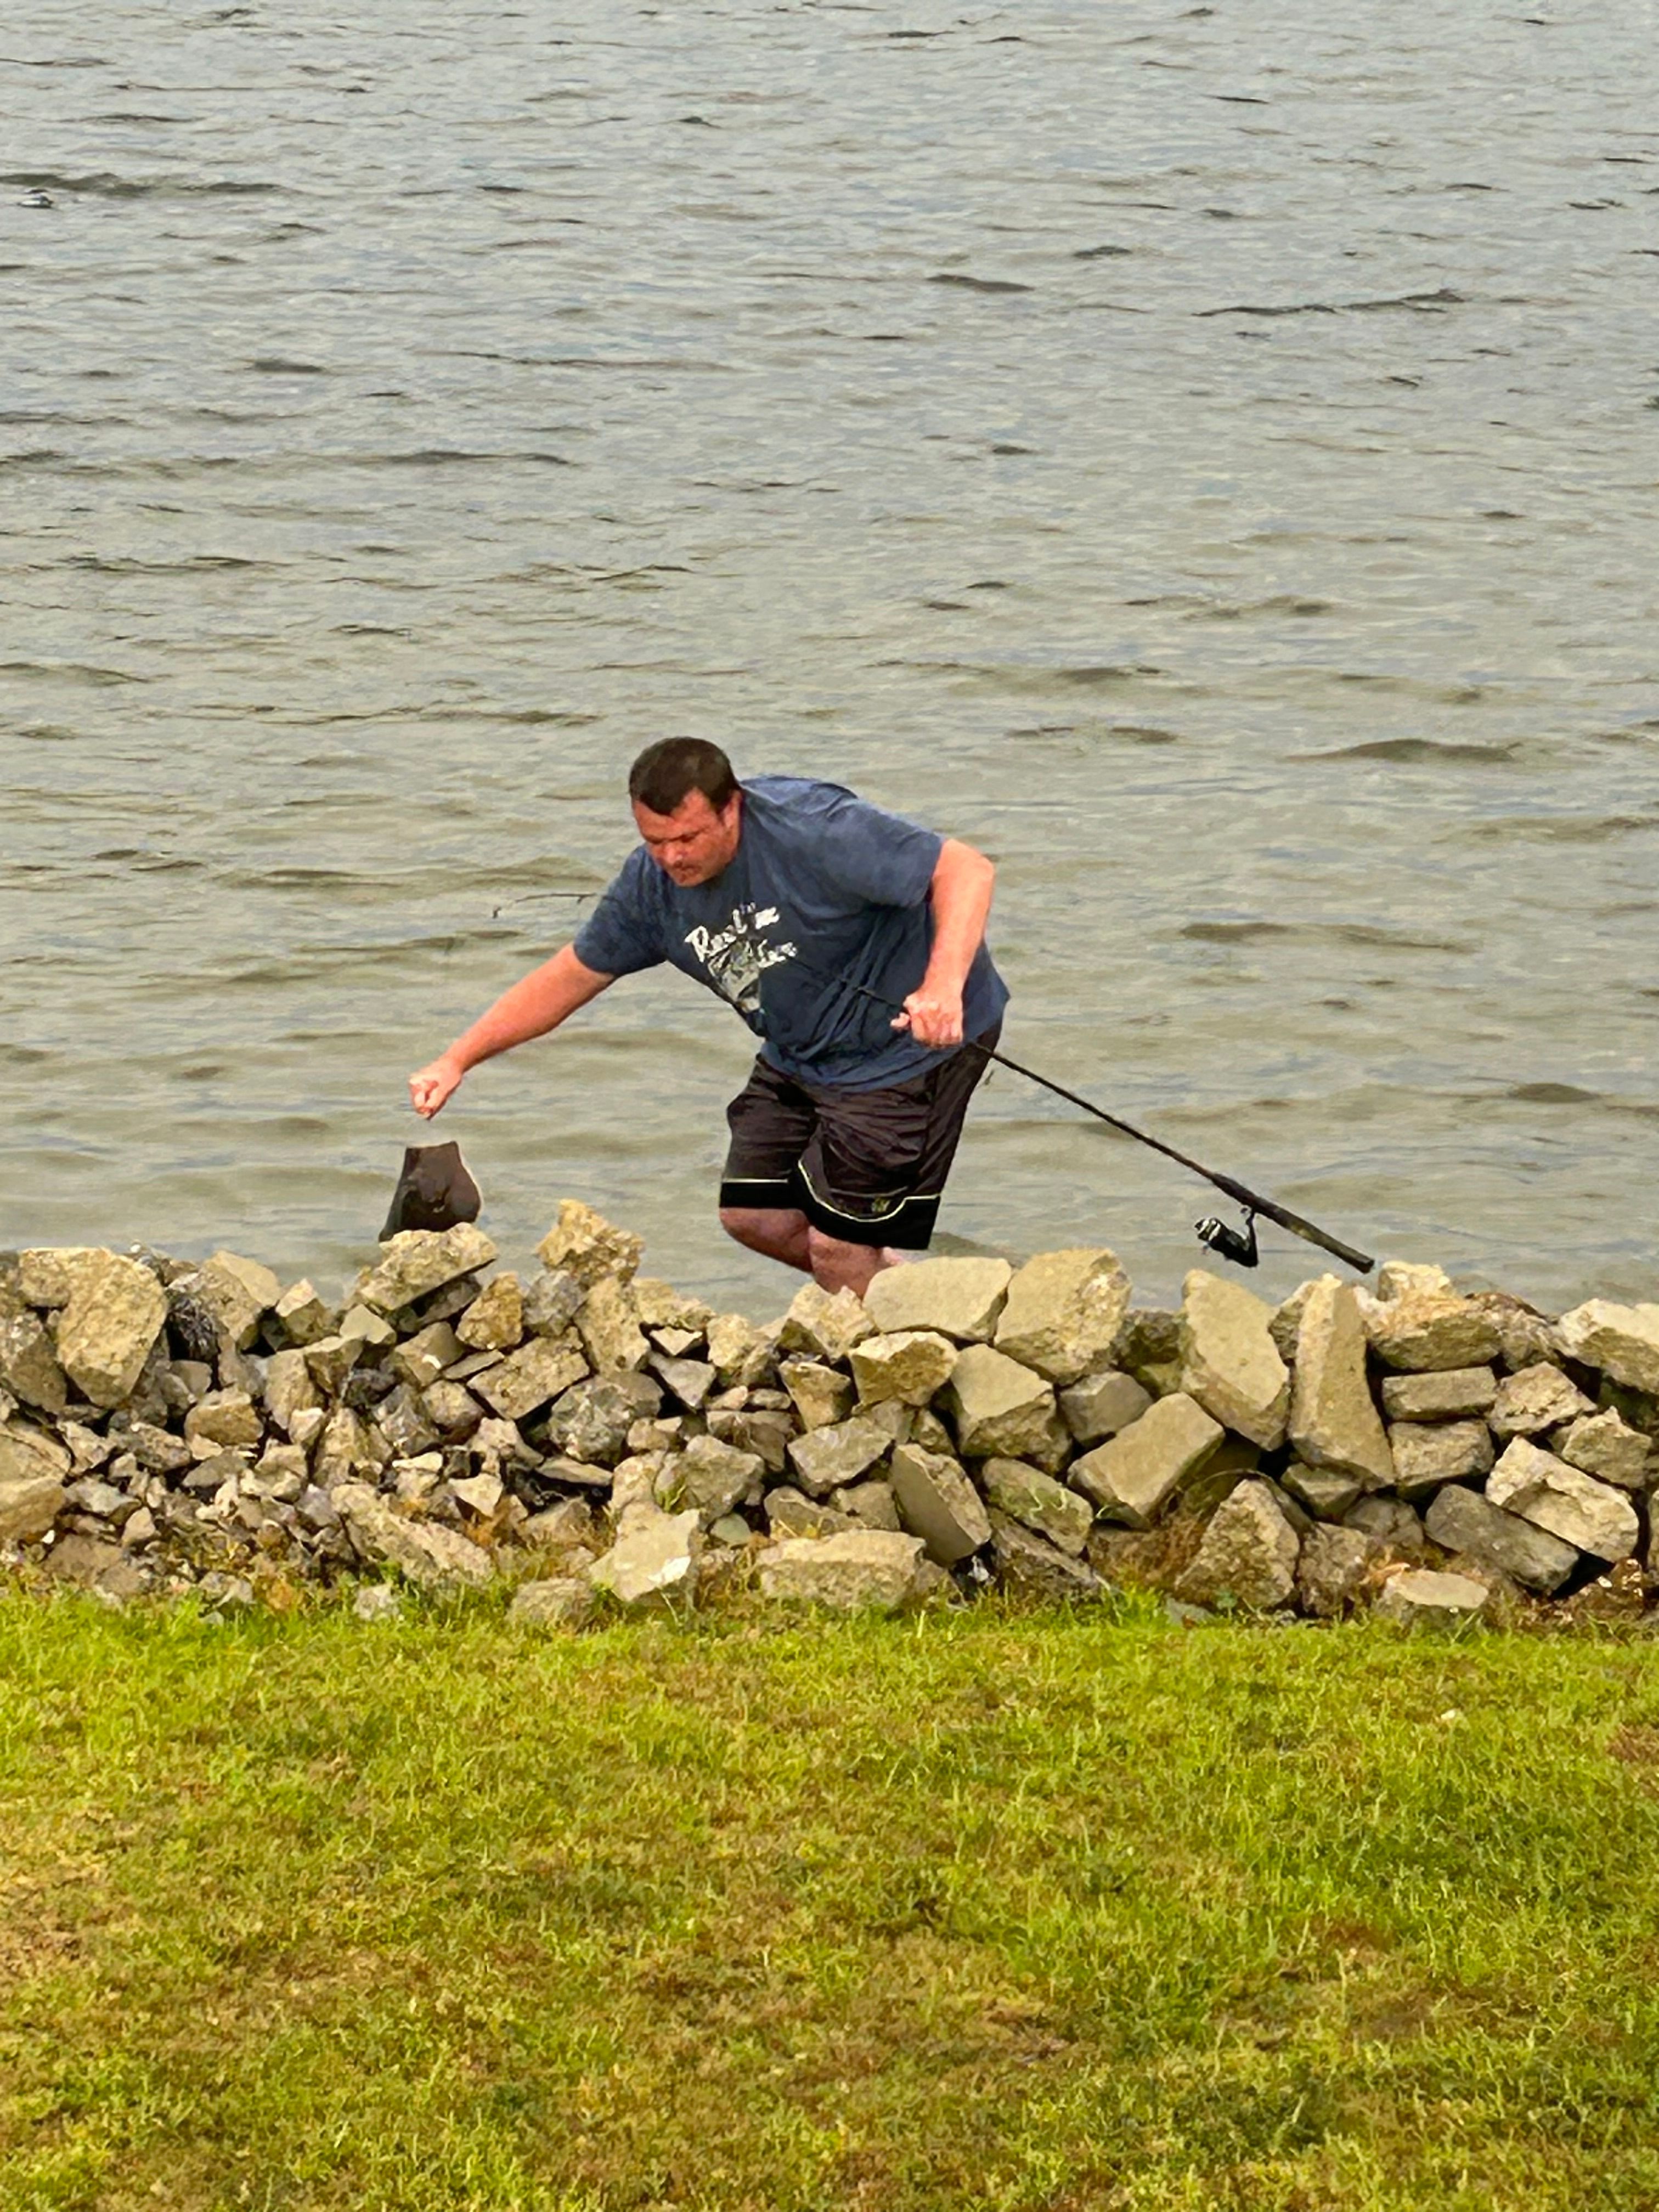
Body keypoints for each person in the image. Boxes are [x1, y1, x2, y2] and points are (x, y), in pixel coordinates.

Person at [408, 740, 1008, 1294]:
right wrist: (457, 1058)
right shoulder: (651, 889)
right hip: (801, 1053)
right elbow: (567, 979)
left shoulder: (814, 828)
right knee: (753, 1216)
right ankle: (917, 1300)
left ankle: (881, 1376)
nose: (672, 858)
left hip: (906, 1051)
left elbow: (965, 870)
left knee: (836, 1245)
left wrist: (942, 987)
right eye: (655, 841)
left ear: (733, 810)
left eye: (689, 838)